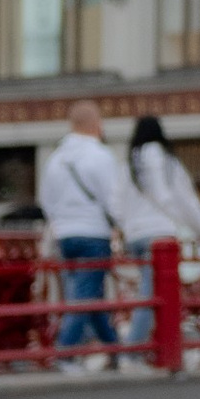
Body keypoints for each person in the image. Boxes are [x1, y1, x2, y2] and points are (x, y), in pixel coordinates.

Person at [41, 102, 131, 369]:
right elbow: (113, 199)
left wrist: (60, 222)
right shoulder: (100, 155)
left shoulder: (56, 158)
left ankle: (114, 350)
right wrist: (121, 226)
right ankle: (65, 353)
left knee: (88, 294)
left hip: (64, 234)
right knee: (84, 296)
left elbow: (47, 200)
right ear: (95, 124)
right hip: (94, 233)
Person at [122, 115, 200, 351]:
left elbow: (119, 201)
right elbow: (181, 198)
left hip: (135, 235)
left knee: (151, 293)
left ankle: (156, 348)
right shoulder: (164, 158)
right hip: (159, 234)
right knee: (155, 295)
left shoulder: (130, 160)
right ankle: (135, 350)